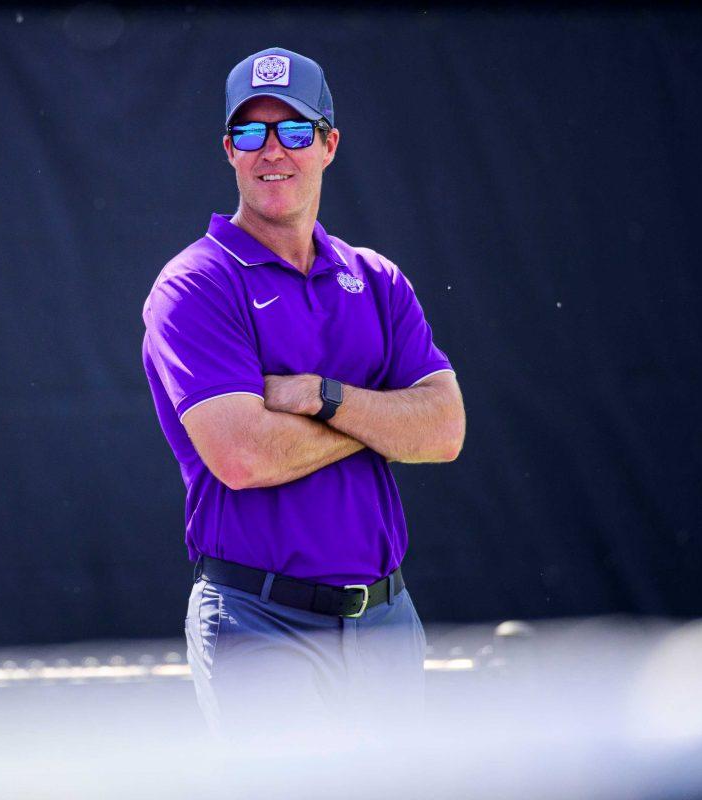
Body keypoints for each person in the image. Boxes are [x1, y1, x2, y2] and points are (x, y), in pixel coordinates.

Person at [141, 46, 465, 745]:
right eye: (251, 133)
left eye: (293, 131)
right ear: (229, 150)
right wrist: (382, 416)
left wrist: (322, 396)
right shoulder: (196, 284)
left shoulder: (376, 279)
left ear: (328, 144)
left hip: (385, 623)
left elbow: (443, 432)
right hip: (260, 624)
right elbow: (243, 458)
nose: (272, 152)